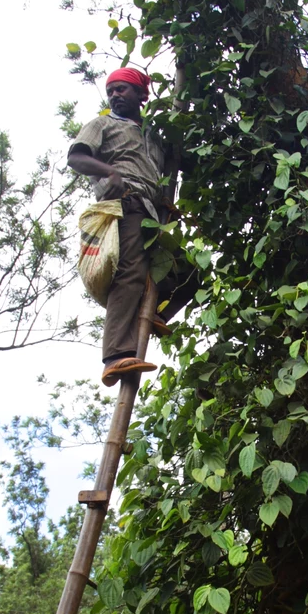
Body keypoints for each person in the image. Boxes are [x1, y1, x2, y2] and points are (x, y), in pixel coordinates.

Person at [68, 67, 195, 386]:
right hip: (127, 204)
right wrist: (110, 173)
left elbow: (170, 167)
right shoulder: (103, 124)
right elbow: (77, 157)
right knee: (130, 273)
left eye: (122, 90)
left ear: (141, 95)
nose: (115, 95)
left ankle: (156, 313)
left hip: (153, 211)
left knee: (189, 273)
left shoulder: (153, 136)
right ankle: (115, 355)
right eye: (111, 91)